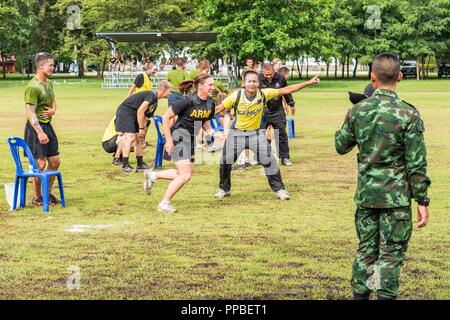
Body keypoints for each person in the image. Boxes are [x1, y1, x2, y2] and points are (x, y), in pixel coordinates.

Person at [335, 52, 431, 300]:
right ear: (400, 76)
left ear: (372, 77)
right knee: (391, 253)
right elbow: (417, 162)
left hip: (367, 196)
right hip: (396, 199)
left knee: (366, 251)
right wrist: (422, 200)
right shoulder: (408, 114)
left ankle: (360, 296)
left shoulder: (357, 110)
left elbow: (340, 145)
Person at [214, 70, 320, 200]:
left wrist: (309, 82)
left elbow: (287, 89)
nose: (252, 84)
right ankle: (224, 189)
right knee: (225, 162)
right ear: (244, 83)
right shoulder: (236, 95)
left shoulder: (264, 93)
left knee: (269, 161)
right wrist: (197, 116)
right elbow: (218, 109)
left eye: (254, 81)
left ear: (258, 82)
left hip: (256, 135)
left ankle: (280, 189)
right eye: (249, 81)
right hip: (236, 134)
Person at [143, 74, 223, 213]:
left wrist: (213, 133)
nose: (212, 87)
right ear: (200, 86)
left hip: (191, 139)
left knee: (185, 173)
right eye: (210, 85)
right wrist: (168, 140)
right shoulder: (187, 100)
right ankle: (164, 203)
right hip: (178, 136)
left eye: (213, 84)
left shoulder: (210, 102)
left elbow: (205, 123)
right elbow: (166, 117)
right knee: (185, 174)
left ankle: (153, 175)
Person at [24, 52, 61, 206]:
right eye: (51, 65)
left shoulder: (48, 84)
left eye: (53, 65)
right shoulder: (33, 86)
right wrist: (39, 132)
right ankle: (37, 196)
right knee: (40, 164)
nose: (53, 67)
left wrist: (53, 110)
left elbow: (53, 102)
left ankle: (48, 193)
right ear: (41, 66)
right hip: (35, 128)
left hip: (48, 126)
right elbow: (30, 111)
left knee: (55, 162)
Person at [115, 81, 172, 173]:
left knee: (140, 139)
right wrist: (141, 128)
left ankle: (140, 163)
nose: (170, 93)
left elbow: (145, 116)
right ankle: (125, 165)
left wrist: (143, 130)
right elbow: (140, 111)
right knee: (131, 137)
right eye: (169, 91)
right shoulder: (152, 95)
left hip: (135, 115)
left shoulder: (155, 102)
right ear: (163, 90)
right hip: (126, 112)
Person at [259, 63, 296, 166]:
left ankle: (285, 158)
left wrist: (291, 104)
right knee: (260, 134)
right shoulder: (257, 79)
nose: (269, 76)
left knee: (282, 134)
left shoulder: (281, 78)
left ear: (274, 70)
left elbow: (287, 92)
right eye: (266, 75)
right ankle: (261, 157)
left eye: (270, 74)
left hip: (277, 111)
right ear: (262, 72)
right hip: (262, 111)